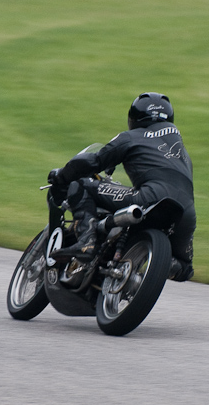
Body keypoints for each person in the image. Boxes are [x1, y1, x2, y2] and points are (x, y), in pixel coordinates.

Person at [48, 92, 195, 282]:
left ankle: (87, 241)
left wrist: (62, 175)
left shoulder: (131, 136)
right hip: (187, 212)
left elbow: (95, 161)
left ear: (135, 118)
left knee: (81, 185)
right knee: (184, 268)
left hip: (150, 196)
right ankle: (160, 265)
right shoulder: (183, 153)